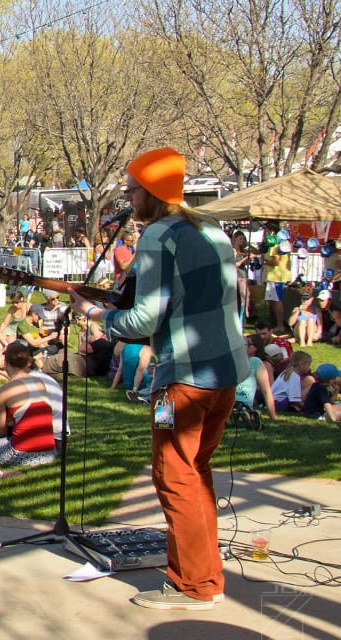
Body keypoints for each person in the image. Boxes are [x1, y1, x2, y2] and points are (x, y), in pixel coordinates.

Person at [70, 147, 248, 610]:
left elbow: (144, 320)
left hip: (182, 379)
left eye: (131, 190)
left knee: (174, 475)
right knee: (196, 472)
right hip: (225, 372)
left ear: (150, 191)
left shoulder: (157, 235)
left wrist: (93, 314)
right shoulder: (213, 229)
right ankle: (206, 574)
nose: (128, 200)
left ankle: (193, 586)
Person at [0, 343, 59, 467]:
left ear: (5, 363)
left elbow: (0, 431)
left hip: (22, 453)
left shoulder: (4, 391)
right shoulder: (39, 383)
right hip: (49, 452)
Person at [269, 350, 313, 415]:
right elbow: (295, 400)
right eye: (308, 364)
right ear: (301, 364)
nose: (309, 367)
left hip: (272, 402)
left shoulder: (285, 372)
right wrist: (306, 407)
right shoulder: (294, 377)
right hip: (279, 404)